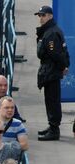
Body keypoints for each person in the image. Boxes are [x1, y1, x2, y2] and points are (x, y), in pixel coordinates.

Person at [35, 5, 70, 140]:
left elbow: (55, 53)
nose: (41, 18)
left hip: (51, 70)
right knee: (50, 100)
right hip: (50, 69)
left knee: (52, 100)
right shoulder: (49, 30)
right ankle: (52, 126)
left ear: (50, 16)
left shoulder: (51, 33)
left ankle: (54, 129)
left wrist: (63, 66)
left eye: (43, 15)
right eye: (39, 15)